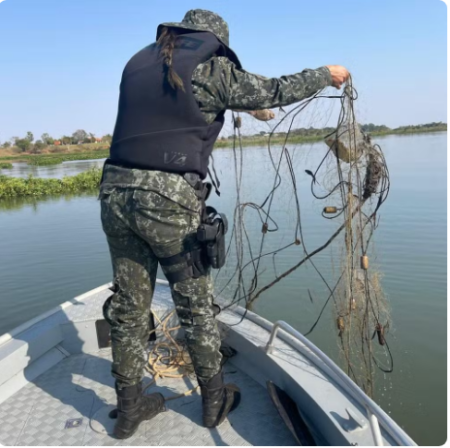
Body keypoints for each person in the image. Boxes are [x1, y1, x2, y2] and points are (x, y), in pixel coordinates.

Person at [100, 8, 349, 439]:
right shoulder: (208, 67)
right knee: (193, 304)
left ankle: (128, 408)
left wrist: (251, 112)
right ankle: (214, 402)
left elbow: (185, 105)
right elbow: (274, 89)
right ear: (214, 39)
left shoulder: (142, 63)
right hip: (167, 202)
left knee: (129, 306)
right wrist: (326, 73)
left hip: (115, 194)